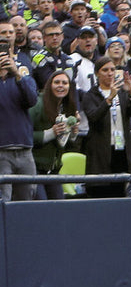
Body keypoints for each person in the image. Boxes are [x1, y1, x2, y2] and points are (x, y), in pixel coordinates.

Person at [80, 56, 131, 198]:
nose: (110, 73)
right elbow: (94, 117)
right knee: (101, 192)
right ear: (97, 73)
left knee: (120, 192)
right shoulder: (90, 96)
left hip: (120, 149)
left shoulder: (122, 93)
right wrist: (109, 99)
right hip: (100, 151)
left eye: (112, 70)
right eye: (105, 70)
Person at [29, 70, 83, 199]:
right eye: (57, 82)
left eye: (64, 83)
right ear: (49, 85)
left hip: (54, 170)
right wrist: (50, 133)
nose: (61, 86)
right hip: (35, 169)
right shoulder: (37, 104)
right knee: (42, 205)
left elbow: (65, 143)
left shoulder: (68, 107)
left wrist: (73, 134)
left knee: (59, 205)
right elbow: (24, 136)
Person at [0, 32, 39, 201]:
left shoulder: (22, 78)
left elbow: (32, 100)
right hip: (1, 151)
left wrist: (16, 73)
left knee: (27, 199)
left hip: (25, 150)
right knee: (4, 200)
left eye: (5, 52)